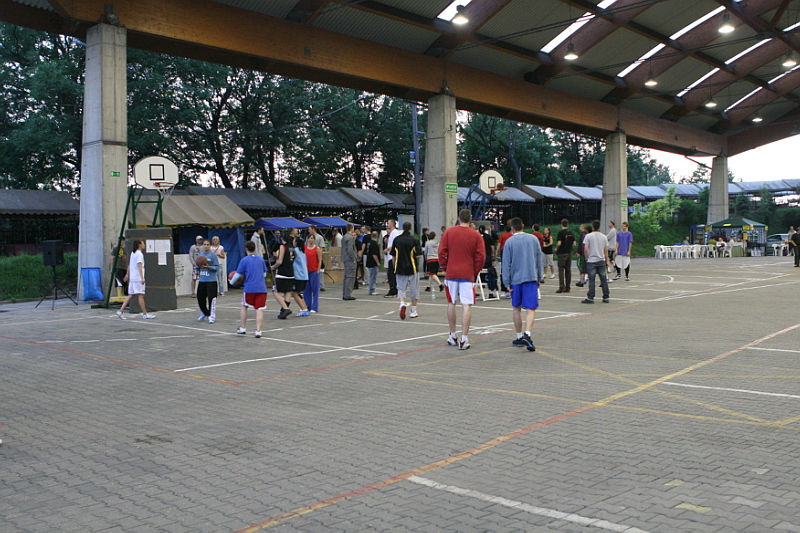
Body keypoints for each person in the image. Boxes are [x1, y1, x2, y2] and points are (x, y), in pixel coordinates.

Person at [439, 209, 486, 350]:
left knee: (451, 303)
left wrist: (446, 267)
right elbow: (481, 256)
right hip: (467, 274)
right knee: (466, 305)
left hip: (451, 272)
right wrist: (474, 271)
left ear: (459, 218)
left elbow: (441, 252)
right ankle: (464, 338)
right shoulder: (476, 235)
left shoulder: (449, 232)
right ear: (470, 219)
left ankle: (453, 335)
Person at [501, 217, 542, 351]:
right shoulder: (533, 239)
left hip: (515, 279)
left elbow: (506, 263)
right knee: (531, 309)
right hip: (531, 277)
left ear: (512, 228)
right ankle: (527, 334)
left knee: (516, 308)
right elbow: (539, 259)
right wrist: (539, 277)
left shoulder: (509, 242)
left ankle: (519, 336)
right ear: (523, 226)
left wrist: (506, 282)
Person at [234, 240, 268, 338]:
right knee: (259, 309)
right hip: (261, 288)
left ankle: (243, 328)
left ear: (246, 249)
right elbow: (264, 274)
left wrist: (231, 282)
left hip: (249, 288)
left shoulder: (244, 260)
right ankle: (258, 331)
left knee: (244, 306)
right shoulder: (261, 259)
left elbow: (237, 275)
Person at [116, 239, 155, 319]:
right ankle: (145, 314)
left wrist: (127, 274)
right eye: (143, 243)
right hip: (137, 278)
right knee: (141, 295)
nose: (144, 245)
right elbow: (139, 266)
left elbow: (130, 265)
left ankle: (120, 310)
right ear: (139, 245)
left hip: (133, 278)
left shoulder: (133, 253)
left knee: (131, 295)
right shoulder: (139, 254)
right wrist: (142, 278)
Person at [392, 221, 422, 319]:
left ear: (402, 228)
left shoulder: (396, 240)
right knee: (414, 290)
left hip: (399, 267)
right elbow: (418, 255)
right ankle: (413, 311)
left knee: (401, 288)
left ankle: (402, 303)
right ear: (410, 228)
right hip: (412, 268)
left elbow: (393, 255)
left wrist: (394, 266)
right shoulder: (415, 240)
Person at [581, 220, 610, 304]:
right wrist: (607, 260)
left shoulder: (588, 236)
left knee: (592, 279)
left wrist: (587, 257)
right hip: (601, 259)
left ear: (592, 227)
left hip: (591, 260)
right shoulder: (604, 237)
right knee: (603, 279)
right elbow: (606, 250)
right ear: (599, 227)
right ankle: (606, 296)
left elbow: (586, 249)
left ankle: (591, 297)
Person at [272, 231, 296, 319]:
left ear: (282, 238)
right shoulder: (292, 247)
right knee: (287, 292)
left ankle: (285, 308)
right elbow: (295, 257)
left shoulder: (282, 247)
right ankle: (283, 310)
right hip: (291, 272)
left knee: (275, 291)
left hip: (282, 272)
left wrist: (273, 267)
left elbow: (280, 261)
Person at [196, 239, 220, 323]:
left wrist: (209, 267)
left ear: (210, 246)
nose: (206, 246)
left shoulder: (213, 255)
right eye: (205, 244)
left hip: (211, 280)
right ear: (203, 246)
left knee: (211, 299)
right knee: (200, 297)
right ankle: (204, 313)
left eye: (207, 245)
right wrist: (198, 266)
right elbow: (196, 267)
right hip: (202, 280)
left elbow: (217, 267)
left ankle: (211, 316)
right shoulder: (200, 255)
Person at [292, 236, 311, 317]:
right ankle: (305, 308)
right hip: (304, 275)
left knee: (294, 293)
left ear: (296, 243)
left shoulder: (295, 251)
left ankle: (304, 309)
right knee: (298, 293)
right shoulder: (302, 252)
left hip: (298, 275)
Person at [383, 219, 402, 297]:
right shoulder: (392, 233)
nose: (387, 224)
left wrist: (388, 249)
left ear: (392, 224)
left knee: (391, 274)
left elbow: (396, 244)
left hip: (392, 256)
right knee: (391, 274)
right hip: (390, 256)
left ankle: (393, 290)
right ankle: (394, 289)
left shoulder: (395, 233)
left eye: (388, 223)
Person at [304, 233, 323, 312]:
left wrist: (318, 269)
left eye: (312, 238)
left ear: (314, 240)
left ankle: (314, 307)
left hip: (314, 271)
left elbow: (319, 259)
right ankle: (307, 306)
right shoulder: (305, 248)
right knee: (306, 290)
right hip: (306, 271)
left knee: (315, 290)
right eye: (309, 238)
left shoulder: (317, 248)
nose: (310, 240)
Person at [478, 225, 498, 298]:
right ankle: (490, 291)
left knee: (479, 273)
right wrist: (493, 253)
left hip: (479, 258)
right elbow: (492, 245)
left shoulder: (477, 236)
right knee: (490, 271)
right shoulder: (488, 236)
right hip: (487, 256)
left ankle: (480, 282)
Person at [555, 219, 574, 293]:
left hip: (562, 253)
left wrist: (556, 249)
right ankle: (568, 287)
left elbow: (559, 243)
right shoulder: (571, 233)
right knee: (568, 270)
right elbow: (574, 243)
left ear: (561, 224)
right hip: (569, 253)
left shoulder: (560, 233)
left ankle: (561, 287)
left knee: (561, 270)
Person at [423, 231, 444, 298]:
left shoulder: (427, 243)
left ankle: (440, 285)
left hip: (430, 259)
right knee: (432, 273)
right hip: (436, 259)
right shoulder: (438, 243)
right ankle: (428, 286)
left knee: (432, 273)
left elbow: (425, 251)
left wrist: (426, 258)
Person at [341, 223, 358, 301]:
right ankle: (348, 294)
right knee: (350, 277)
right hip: (350, 260)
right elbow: (350, 249)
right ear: (351, 229)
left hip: (345, 259)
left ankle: (345, 293)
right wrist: (354, 258)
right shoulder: (350, 238)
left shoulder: (344, 237)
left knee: (346, 277)